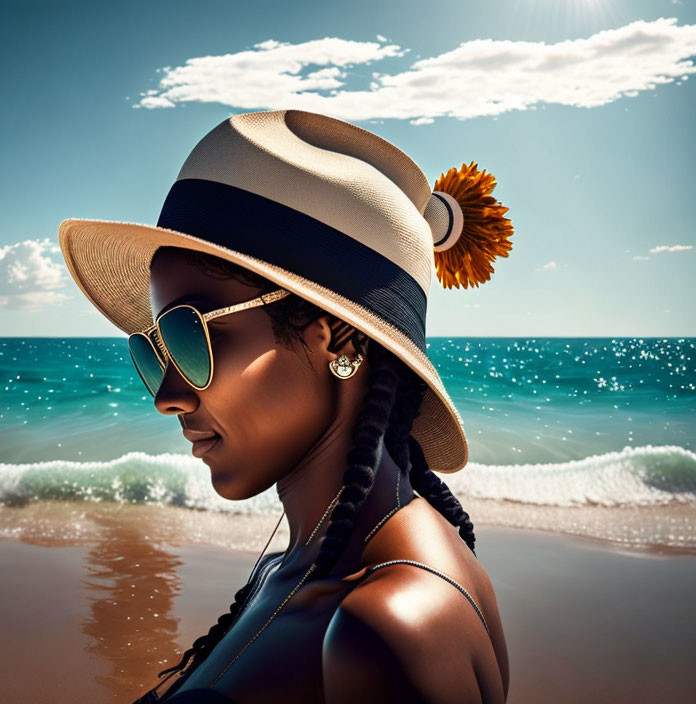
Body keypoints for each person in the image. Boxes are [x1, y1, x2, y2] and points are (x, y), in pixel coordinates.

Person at [57, 109, 514, 702]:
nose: (167, 396)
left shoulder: (387, 631)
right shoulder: (289, 569)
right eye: (156, 349)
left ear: (340, 339)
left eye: (193, 336)